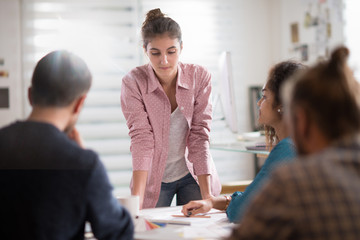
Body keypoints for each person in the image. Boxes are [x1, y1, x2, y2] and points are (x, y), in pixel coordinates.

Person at [227, 46, 360, 239]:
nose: (259, 103)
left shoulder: (293, 180)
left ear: (301, 117)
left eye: (264, 97)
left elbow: (242, 218)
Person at [0, 50, 134, 239]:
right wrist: (83, 156)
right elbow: (119, 233)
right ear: (79, 103)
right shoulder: (83, 163)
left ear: (30, 95)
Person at [120, 8, 221, 209]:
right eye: (155, 53)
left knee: (197, 230)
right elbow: (141, 138)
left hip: (193, 174)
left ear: (181, 47)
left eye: (171, 52)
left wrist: (208, 195)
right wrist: (137, 200)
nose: (164, 61)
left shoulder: (199, 77)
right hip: (154, 177)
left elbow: (199, 135)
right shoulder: (133, 82)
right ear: (144, 50)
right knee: (150, 230)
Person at [182, 61, 305, 222]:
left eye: (264, 96)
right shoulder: (300, 143)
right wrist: (212, 201)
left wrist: (231, 202)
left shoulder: (286, 149)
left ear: (281, 105)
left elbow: (241, 210)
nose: (259, 103)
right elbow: (253, 197)